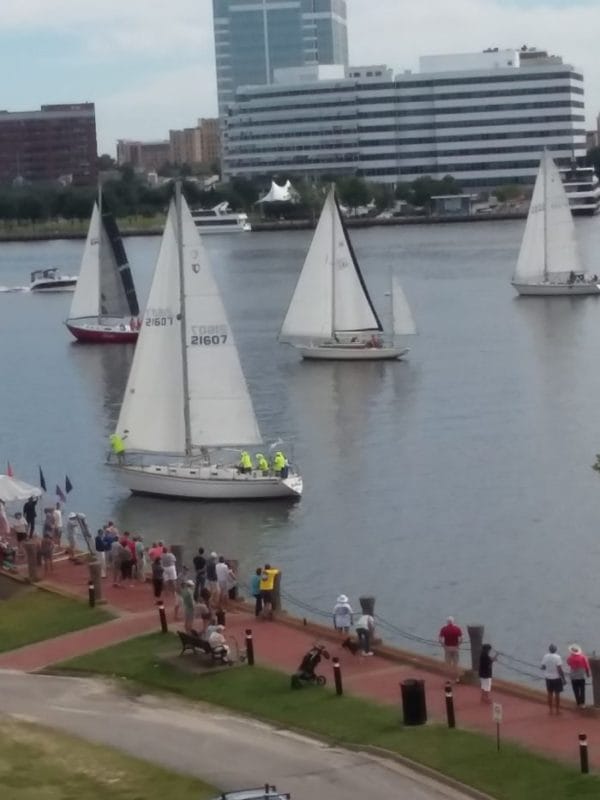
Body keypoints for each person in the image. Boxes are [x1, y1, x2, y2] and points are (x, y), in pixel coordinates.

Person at [541, 643, 566, 715]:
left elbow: (543, 667)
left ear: (549, 649)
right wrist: (563, 679)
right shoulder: (558, 657)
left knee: (549, 694)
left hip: (548, 678)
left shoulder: (545, 656)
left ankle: (550, 709)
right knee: (557, 694)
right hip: (556, 678)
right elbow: (559, 669)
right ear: (555, 649)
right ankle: (557, 710)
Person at [439, 616, 463, 683]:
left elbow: (440, 640)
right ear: (453, 621)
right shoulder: (457, 629)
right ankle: (456, 678)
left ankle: (448, 679)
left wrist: (444, 646)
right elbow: (461, 639)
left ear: (447, 622)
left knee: (448, 664)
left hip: (447, 648)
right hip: (455, 648)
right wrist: (458, 645)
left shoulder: (444, 629)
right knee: (456, 664)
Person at [567, 644, 590, 708]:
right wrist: (588, 674)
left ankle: (578, 702)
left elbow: (568, 663)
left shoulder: (570, 658)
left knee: (575, 690)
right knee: (582, 690)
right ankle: (583, 704)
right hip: (581, 676)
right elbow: (587, 667)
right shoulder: (583, 657)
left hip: (573, 676)